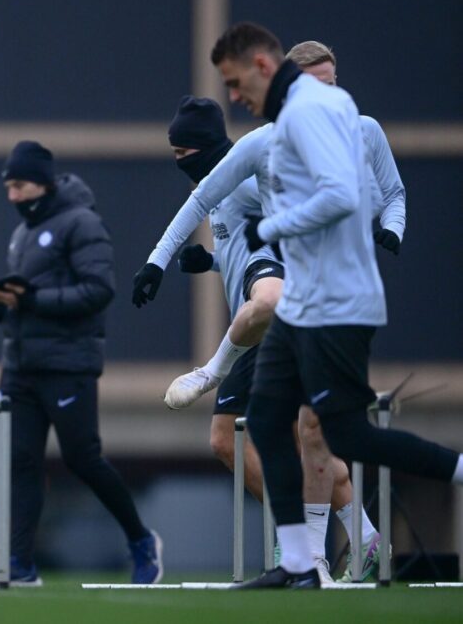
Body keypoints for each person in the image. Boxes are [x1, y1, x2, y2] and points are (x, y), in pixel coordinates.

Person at [134, 39, 408, 581]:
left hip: (282, 320)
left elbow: (298, 230)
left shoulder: (291, 158)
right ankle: (361, 536)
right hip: (258, 317)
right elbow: (224, 226)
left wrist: (383, 227)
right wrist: (195, 263)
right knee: (233, 442)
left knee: (302, 432)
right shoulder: (248, 162)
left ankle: (304, 554)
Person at [210, 21, 463, 589]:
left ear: (264, 67)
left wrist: (269, 225)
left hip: (338, 304)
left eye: (234, 81)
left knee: (347, 437)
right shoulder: (296, 120)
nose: (232, 96)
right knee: (270, 419)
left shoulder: (311, 114)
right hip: (304, 301)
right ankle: (301, 563)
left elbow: (343, 196)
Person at [0, 141, 162, 585]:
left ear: (43, 182)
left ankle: (141, 539)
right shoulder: (22, 235)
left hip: (68, 365)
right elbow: (28, 307)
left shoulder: (81, 222)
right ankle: (20, 565)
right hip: (20, 368)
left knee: (83, 458)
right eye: (8, 187)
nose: (13, 196)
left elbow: (98, 291)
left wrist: (31, 299)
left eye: (19, 185)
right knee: (22, 463)